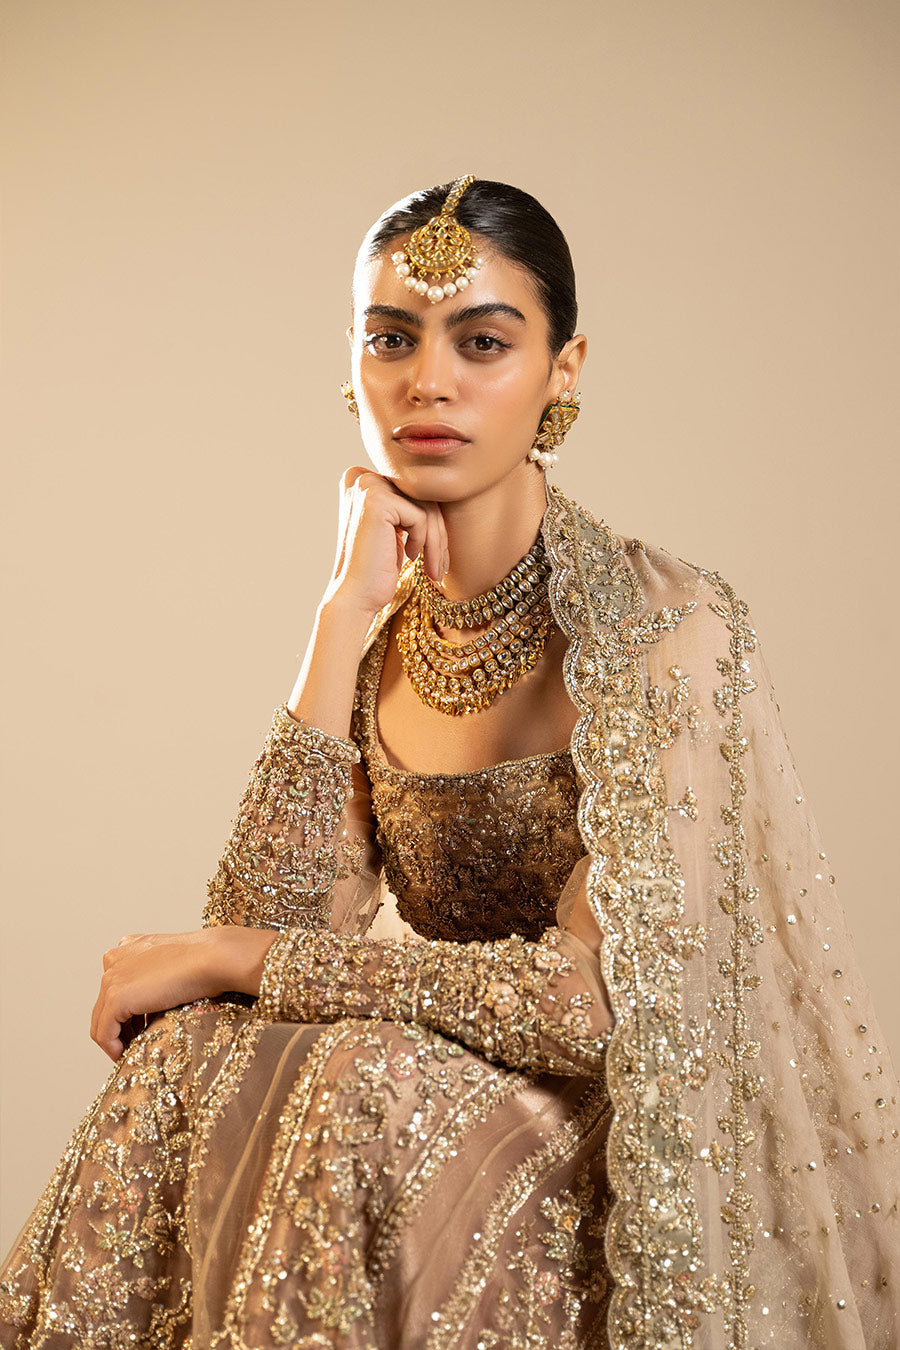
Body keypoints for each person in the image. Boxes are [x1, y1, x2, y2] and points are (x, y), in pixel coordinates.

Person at [0, 175, 897, 1349]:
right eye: (391, 339)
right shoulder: (383, 631)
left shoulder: (664, 629)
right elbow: (260, 945)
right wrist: (336, 620)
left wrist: (244, 955)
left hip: (612, 1132)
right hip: (422, 1094)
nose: (428, 381)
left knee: (354, 1089)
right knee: (186, 1059)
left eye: (483, 342)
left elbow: (590, 1007)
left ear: (563, 370)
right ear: (353, 362)